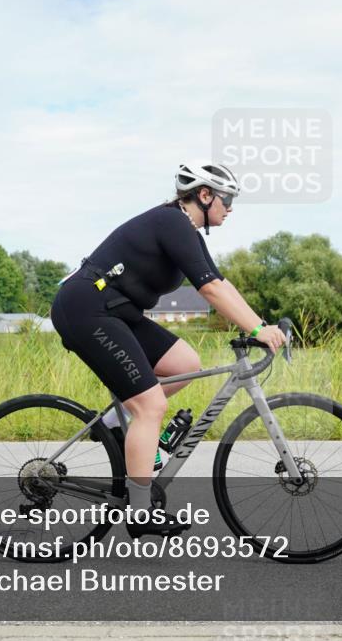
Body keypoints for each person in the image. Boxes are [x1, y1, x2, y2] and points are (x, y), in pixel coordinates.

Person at [49, 161, 286, 538]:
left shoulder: (187, 232)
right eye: (227, 200)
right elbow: (208, 291)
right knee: (151, 406)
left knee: (184, 362)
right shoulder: (172, 222)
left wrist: (259, 324)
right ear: (205, 195)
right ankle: (141, 513)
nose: (230, 209)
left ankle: (113, 426)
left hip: (114, 310)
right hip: (85, 306)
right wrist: (257, 328)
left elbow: (219, 284)